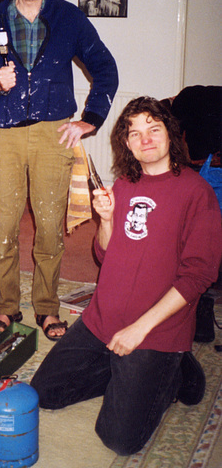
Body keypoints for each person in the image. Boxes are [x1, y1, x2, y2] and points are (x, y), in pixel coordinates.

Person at [30, 96, 222, 455]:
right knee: (44, 394)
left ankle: (177, 372)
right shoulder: (123, 185)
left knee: (118, 438)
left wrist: (138, 330)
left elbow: (200, 274)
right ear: (126, 144)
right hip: (101, 320)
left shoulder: (196, 193)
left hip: (155, 331)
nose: (144, 139)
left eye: (154, 129)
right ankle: (125, 368)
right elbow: (105, 253)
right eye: (134, 133)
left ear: (171, 135)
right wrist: (107, 220)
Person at [0, 0, 118, 339]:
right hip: (2, 135)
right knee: (3, 230)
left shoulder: (69, 17)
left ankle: (47, 308)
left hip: (53, 135)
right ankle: (6, 306)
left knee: (49, 229)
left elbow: (104, 67)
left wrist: (91, 120)